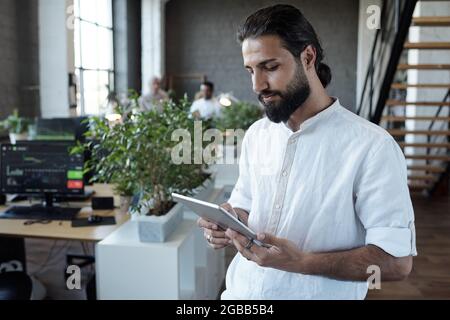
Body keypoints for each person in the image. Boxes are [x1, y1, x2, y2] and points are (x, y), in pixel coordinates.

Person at [197, 4, 416, 300]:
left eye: (270, 67)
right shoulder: (257, 135)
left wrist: (302, 263)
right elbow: (246, 206)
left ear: (308, 57)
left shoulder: (372, 147)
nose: (257, 85)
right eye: (251, 70)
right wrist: (229, 221)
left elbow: (396, 262)